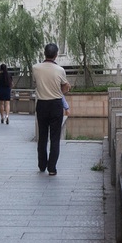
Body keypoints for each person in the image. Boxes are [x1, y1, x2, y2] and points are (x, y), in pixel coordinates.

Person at [32, 43, 70, 175]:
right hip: (55, 105)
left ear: (44, 53)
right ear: (56, 55)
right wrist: (63, 89)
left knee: (42, 137)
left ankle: (42, 165)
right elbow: (64, 89)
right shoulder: (60, 70)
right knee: (54, 138)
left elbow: (36, 83)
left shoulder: (35, 68)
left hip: (42, 104)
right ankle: (52, 168)